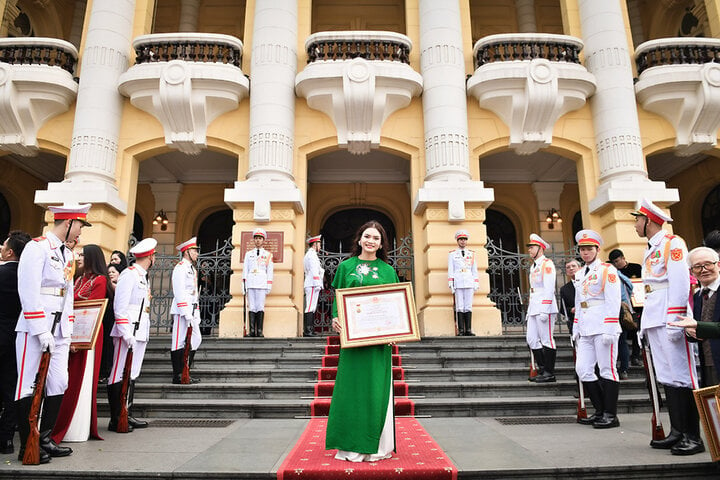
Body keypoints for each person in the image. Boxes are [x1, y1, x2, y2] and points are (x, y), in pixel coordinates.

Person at [15, 203, 91, 463]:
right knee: (27, 384)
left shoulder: (67, 255)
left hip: (59, 331)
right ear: (68, 222)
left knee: (59, 382)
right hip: (35, 328)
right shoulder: (37, 248)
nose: (81, 230)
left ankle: (45, 438)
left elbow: (67, 296)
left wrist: (66, 332)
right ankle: (28, 442)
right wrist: (40, 329)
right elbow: (28, 291)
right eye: (80, 224)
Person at [631, 198, 703, 455]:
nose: (635, 224)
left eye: (637, 219)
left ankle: (693, 436)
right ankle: (677, 431)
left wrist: (676, 320)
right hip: (654, 317)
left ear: (648, 220)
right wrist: (644, 326)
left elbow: (681, 284)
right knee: (667, 376)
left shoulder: (673, 244)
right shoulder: (651, 248)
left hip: (670, 318)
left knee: (683, 376)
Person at [326, 221, 398, 462]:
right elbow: (338, 296)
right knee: (352, 389)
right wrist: (335, 317)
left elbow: (394, 304)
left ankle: (377, 445)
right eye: (367, 236)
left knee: (375, 390)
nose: (370, 241)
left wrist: (395, 331)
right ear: (359, 239)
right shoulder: (346, 267)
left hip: (378, 342)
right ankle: (349, 445)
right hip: (353, 340)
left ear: (381, 243)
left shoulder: (388, 271)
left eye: (376, 238)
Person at [52, 245, 110, 443]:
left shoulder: (100, 280)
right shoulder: (78, 279)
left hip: (88, 332)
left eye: (83, 255)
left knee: (81, 378)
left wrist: (78, 339)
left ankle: (76, 428)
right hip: (72, 331)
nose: (79, 257)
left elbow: (91, 309)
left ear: (92, 258)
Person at [573, 229, 622, 429]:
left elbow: (613, 299)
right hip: (585, 326)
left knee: (607, 369)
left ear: (597, 249)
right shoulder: (578, 274)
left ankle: (610, 414)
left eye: (589, 249)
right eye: (582, 249)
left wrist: (611, 326)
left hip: (603, 325)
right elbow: (579, 301)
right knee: (583, 369)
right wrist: (576, 326)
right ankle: (600, 409)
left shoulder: (606, 270)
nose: (585, 253)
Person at [107, 238, 156, 433]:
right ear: (150, 257)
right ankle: (116, 417)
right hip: (127, 331)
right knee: (119, 373)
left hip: (140, 330)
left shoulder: (143, 276)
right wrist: (126, 333)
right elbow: (120, 307)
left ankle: (126, 413)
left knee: (132, 373)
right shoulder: (129, 275)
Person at [0, 231, 30, 455]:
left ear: (10, 251)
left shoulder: (1, 273)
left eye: (3, 246)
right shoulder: (27, 277)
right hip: (17, 336)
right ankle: (7, 438)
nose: (1, 247)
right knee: (11, 387)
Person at [672, 246, 720, 387]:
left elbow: (702, 326)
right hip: (708, 363)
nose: (704, 269)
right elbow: (697, 329)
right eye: (697, 267)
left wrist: (698, 326)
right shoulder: (698, 296)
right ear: (692, 272)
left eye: (708, 264)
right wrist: (689, 331)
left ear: (718, 265)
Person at [525, 234, 558, 383]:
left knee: (547, 339)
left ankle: (549, 372)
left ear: (540, 248)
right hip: (534, 306)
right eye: (530, 247)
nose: (530, 250)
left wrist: (545, 308)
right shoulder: (534, 266)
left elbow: (549, 288)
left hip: (545, 306)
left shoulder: (547, 264)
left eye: (532, 247)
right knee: (531, 339)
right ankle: (543, 368)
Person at [170, 237, 202, 384]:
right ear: (187, 252)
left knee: (196, 339)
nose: (196, 253)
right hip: (182, 310)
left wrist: (196, 311)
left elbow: (194, 292)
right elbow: (179, 291)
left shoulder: (192, 269)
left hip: (192, 309)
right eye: (194, 251)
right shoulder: (180, 268)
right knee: (178, 341)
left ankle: (185, 371)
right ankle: (178, 374)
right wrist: (185, 312)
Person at [609, 248, 643, 366]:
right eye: (613, 262)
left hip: (637, 305)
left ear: (623, 258)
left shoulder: (636, 268)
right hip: (623, 307)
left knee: (636, 332)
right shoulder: (613, 272)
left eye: (617, 261)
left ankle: (636, 356)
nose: (616, 264)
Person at [242, 228, 273, 337]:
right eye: (256, 238)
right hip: (251, 282)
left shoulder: (268, 255)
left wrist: (269, 284)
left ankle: (259, 331)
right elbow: (245, 269)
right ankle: (251, 331)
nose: (258, 241)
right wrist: (244, 284)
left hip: (262, 283)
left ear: (263, 240)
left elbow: (270, 270)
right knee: (252, 306)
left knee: (260, 306)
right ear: (254, 240)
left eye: (260, 238)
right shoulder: (248, 254)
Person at [448, 230, 478, 336]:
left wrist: (476, 282)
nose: (463, 241)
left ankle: (468, 329)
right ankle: (461, 330)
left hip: (469, 281)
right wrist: (451, 283)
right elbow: (450, 269)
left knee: (468, 306)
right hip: (458, 281)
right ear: (457, 241)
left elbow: (474, 269)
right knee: (460, 306)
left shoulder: (472, 254)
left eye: (464, 239)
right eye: (461, 239)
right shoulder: (452, 254)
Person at [303, 234, 323, 337]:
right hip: (312, 283)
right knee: (310, 307)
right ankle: (308, 330)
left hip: (312, 283)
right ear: (315, 244)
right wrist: (317, 283)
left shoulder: (312, 254)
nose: (320, 246)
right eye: (319, 244)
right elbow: (314, 270)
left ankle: (310, 329)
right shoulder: (311, 255)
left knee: (312, 306)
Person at [560, 258, 581, 334]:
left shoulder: (588, 283)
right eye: (568, 267)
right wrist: (571, 310)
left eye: (573, 266)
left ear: (580, 268)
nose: (571, 268)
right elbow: (563, 309)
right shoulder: (564, 289)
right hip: (575, 322)